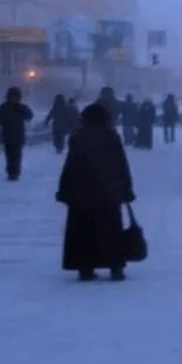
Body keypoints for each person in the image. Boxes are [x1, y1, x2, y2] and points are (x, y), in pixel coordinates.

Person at [56, 103, 135, 282]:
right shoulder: (111, 137)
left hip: (82, 193)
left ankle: (86, 268)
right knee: (111, 231)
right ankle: (115, 267)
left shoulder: (78, 138)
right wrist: (126, 189)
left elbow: (70, 165)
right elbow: (121, 164)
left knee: (84, 231)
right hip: (108, 192)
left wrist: (64, 190)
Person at [0, 87, 35, 181]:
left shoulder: (4, 107)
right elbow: (30, 116)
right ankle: (14, 173)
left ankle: (12, 173)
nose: (15, 98)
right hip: (16, 135)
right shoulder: (20, 107)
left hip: (9, 135)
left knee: (11, 155)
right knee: (15, 155)